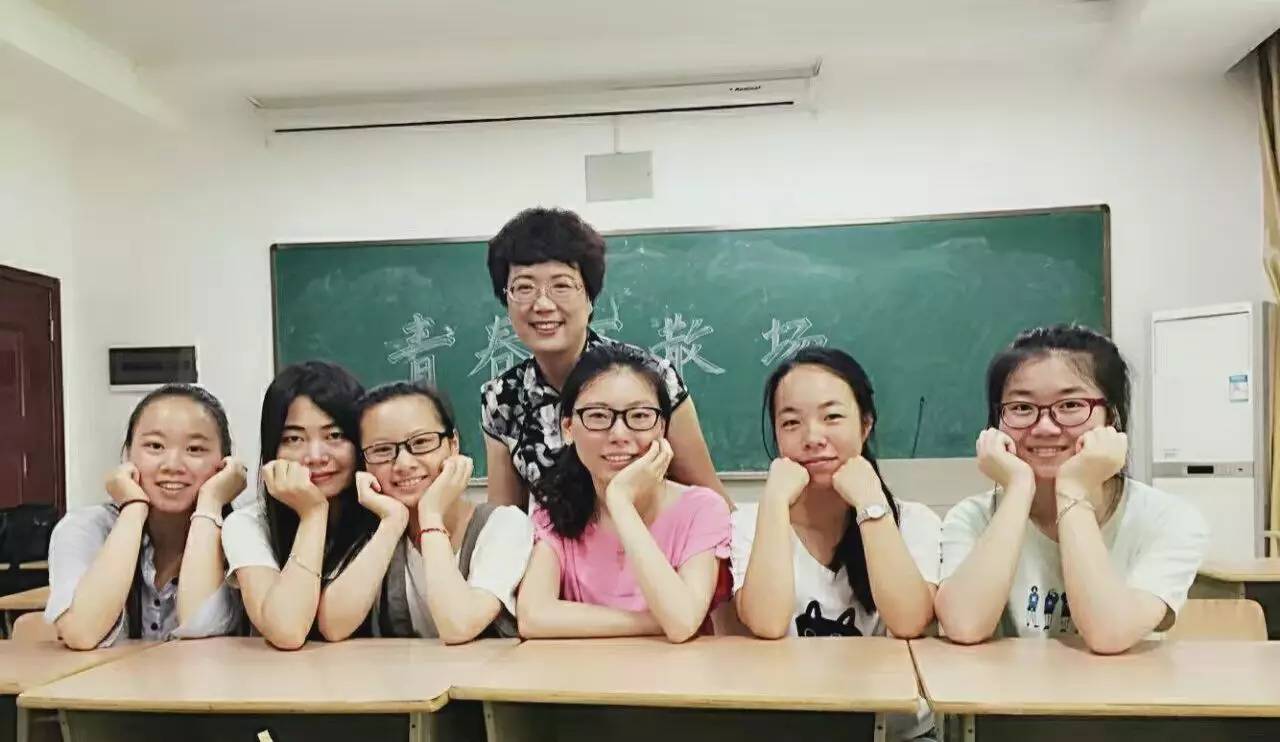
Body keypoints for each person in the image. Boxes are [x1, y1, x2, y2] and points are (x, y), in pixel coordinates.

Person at [935, 325, 1210, 654]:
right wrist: (1019, 488)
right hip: (1010, 688)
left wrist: (1073, 489)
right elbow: (964, 625)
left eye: (1070, 405)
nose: (1045, 427)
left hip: (1122, 687)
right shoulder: (972, 518)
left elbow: (1109, 634)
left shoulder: (1168, 519)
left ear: (1112, 417)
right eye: (1021, 408)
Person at [731, 348, 939, 740]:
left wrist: (870, 504)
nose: (813, 438)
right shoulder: (750, 523)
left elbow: (909, 621)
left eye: (832, 417)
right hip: (793, 730)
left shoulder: (914, 522)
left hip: (897, 734)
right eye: (791, 422)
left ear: (865, 424)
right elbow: (767, 623)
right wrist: (774, 502)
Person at [480, 207, 725, 508]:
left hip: (650, 536)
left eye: (561, 285)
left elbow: (711, 502)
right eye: (524, 287)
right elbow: (506, 518)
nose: (542, 304)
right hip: (558, 539)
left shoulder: (651, 377)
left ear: (590, 298)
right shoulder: (502, 398)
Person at [516, 344, 731, 642]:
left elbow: (681, 622)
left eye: (639, 416)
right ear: (568, 429)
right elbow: (533, 617)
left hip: (678, 671)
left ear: (662, 427)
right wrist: (653, 622)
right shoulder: (555, 510)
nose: (619, 434)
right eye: (598, 416)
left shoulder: (702, 509)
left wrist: (620, 502)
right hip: (585, 671)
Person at [46, 384, 244, 648]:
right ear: (128, 454)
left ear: (225, 463)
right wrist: (133, 507)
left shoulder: (241, 536)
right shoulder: (85, 528)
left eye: (195, 449)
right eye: (155, 446)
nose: (172, 465)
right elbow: (82, 632)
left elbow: (198, 630)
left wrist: (211, 503)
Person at [356, 381, 532, 641]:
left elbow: (458, 625)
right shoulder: (374, 531)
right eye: (382, 450)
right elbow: (335, 627)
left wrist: (431, 516)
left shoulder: (504, 525)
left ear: (453, 444)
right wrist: (391, 524)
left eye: (421, 442)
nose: (404, 463)